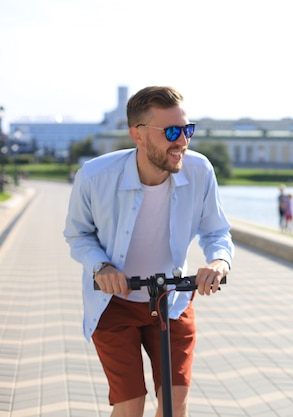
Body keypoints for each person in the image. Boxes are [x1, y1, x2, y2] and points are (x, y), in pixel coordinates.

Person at [63, 86, 234, 417]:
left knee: (174, 401)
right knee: (130, 405)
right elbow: (78, 235)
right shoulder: (95, 177)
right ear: (138, 135)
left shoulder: (200, 170)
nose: (182, 141)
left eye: (187, 130)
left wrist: (218, 260)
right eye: (171, 131)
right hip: (113, 302)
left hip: (171, 300)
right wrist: (101, 267)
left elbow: (216, 231)